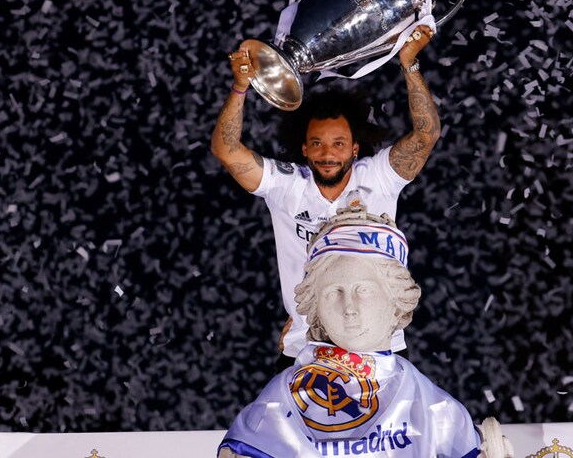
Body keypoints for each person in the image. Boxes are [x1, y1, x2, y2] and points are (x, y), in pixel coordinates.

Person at [210, 26, 441, 369]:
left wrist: (410, 63)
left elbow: (426, 135)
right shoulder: (287, 186)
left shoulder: (377, 177)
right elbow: (226, 150)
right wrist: (241, 86)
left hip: (379, 346)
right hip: (306, 346)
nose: (327, 153)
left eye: (338, 144)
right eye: (317, 144)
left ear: (355, 148)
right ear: (304, 148)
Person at [216, 207, 512, 458]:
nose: (349, 308)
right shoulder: (280, 401)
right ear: (316, 307)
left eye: (364, 290)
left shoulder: (435, 409)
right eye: (334, 293)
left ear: (397, 300)